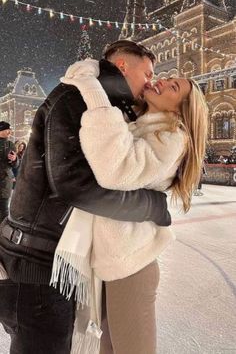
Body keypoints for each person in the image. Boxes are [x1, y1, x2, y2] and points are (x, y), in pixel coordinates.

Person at [0, 40, 170, 354]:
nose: (151, 80)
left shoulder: (104, 104)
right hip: (36, 265)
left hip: (45, 259)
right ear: (123, 66)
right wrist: (151, 205)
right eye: (147, 72)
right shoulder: (76, 97)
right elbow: (73, 183)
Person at [55, 54, 208, 354]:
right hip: (114, 262)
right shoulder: (143, 127)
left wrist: (92, 90)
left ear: (181, 112)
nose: (161, 81)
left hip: (131, 267)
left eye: (173, 87)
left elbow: (115, 170)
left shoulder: (171, 138)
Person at [0, 122, 18, 222]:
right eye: (8, 129)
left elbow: (15, 165)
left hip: (5, 182)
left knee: (4, 209)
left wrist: (15, 159)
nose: (10, 131)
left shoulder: (10, 144)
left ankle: (2, 232)